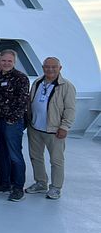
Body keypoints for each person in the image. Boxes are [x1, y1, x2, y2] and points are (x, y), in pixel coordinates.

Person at [25, 57, 76, 200]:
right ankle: (41, 183)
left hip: (54, 130)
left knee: (56, 160)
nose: (50, 69)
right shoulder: (38, 82)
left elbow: (70, 109)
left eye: (54, 67)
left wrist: (64, 126)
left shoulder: (67, 86)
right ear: (43, 68)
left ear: (60, 68)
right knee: (36, 157)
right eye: (47, 67)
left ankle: (56, 188)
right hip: (35, 127)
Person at [0, 50, 30, 202]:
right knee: (0, 153)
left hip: (12, 123)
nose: (6, 63)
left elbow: (22, 101)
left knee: (15, 155)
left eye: (9, 61)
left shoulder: (21, 78)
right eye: (3, 61)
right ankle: (4, 182)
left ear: (14, 62)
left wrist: (12, 119)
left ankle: (18, 187)